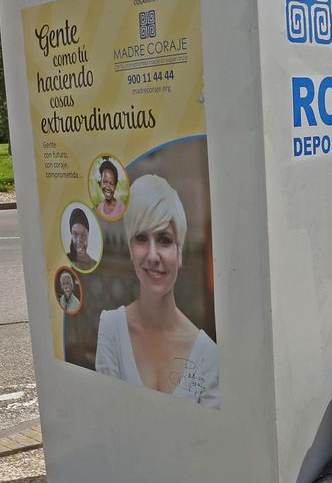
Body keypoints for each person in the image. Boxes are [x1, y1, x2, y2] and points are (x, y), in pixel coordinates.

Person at [95, 174, 219, 406]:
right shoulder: (112, 328)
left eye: (164, 240)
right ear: (131, 249)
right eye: (141, 238)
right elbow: (108, 417)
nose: (153, 256)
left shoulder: (208, 354)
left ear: (179, 254)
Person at [66, 207, 97, 271]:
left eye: (83, 235)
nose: (79, 240)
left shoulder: (94, 264)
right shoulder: (66, 259)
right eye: (75, 234)